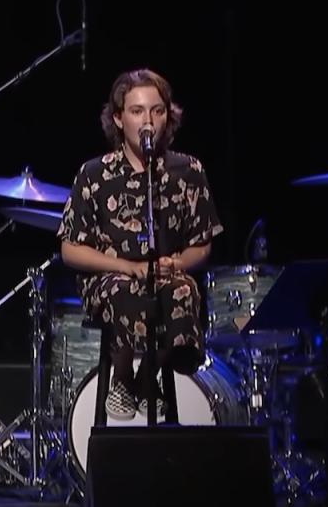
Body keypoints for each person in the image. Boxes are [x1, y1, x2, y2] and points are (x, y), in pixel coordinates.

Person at [56, 69, 223, 420]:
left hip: (163, 273)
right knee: (128, 290)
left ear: (168, 115)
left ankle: (147, 376)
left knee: (183, 291)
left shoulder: (187, 170)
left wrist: (175, 264)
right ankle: (121, 374)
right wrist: (127, 266)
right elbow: (71, 249)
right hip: (110, 278)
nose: (148, 121)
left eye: (157, 111)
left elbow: (201, 245)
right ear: (118, 118)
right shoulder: (94, 174)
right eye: (136, 111)